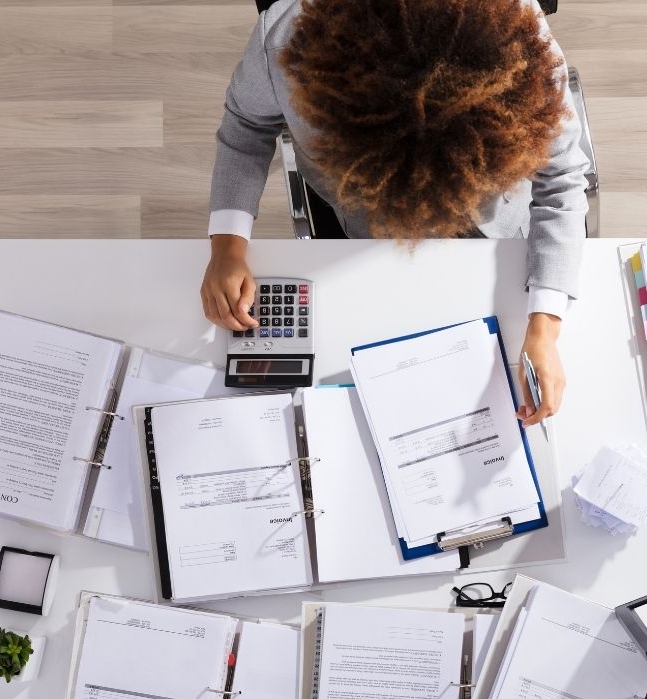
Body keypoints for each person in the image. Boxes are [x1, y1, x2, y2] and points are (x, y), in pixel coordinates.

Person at [201, 0, 589, 427]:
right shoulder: (281, 41)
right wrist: (227, 244)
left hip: (497, 230)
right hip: (364, 232)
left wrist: (546, 323)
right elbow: (246, 126)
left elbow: (563, 178)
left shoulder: (521, 39)